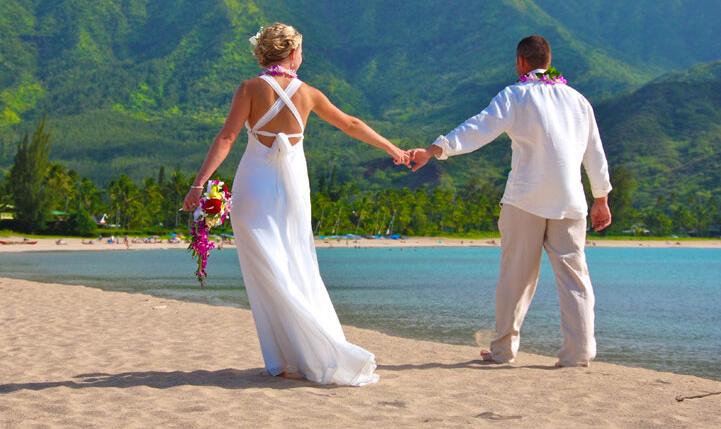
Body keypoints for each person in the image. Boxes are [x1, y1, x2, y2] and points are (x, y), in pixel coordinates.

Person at [182, 23, 408, 385]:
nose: (302, 56)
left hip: (254, 187)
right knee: (296, 263)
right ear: (291, 54)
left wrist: (198, 184)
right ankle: (306, 350)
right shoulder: (309, 94)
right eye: (301, 51)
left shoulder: (249, 89)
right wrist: (392, 148)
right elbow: (351, 124)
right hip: (291, 191)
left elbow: (227, 137)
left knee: (267, 270)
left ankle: (285, 357)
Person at [408, 36, 612, 368]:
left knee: (515, 278)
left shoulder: (515, 96)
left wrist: (435, 149)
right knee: (575, 278)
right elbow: (595, 153)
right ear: (549, 60)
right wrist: (600, 198)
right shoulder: (578, 101)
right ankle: (578, 353)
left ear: (520, 62)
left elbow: (477, 128)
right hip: (571, 200)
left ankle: (503, 351)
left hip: (525, 199)